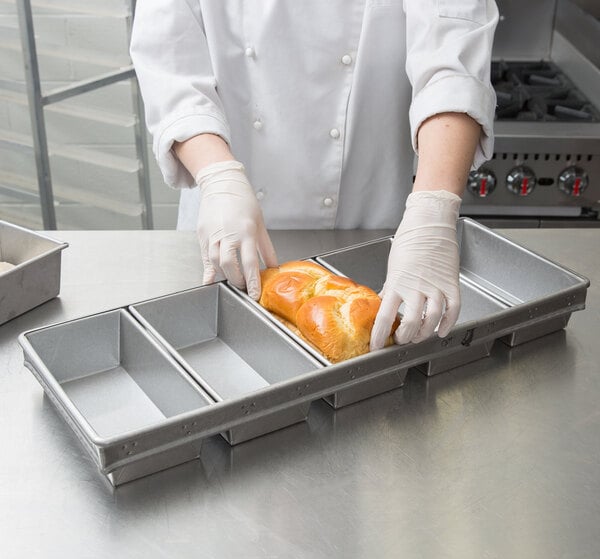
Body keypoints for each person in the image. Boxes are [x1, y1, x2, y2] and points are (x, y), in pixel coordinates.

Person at [130, 1, 498, 350]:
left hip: (369, 233)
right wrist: (217, 175)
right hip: (224, 217)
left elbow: (453, 59)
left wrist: (433, 208)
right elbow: (170, 65)